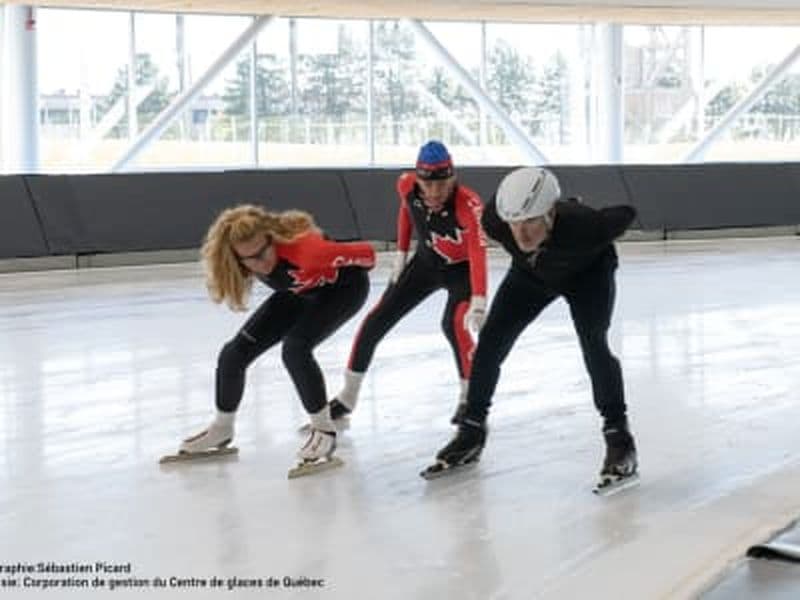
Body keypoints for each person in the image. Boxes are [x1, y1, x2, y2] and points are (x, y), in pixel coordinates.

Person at [422, 166, 639, 494]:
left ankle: (620, 441)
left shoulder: (586, 226)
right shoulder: (495, 222)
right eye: (514, 223)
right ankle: (471, 431)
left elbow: (627, 213)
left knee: (594, 345)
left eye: (531, 222)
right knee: (490, 344)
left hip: (588, 275)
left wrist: (587, 213)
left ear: (551, 213)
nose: (521, 234)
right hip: (532, 275)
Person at [173, 204, 375, 475]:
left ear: (271, 237)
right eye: (251, 259)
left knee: (295, 348)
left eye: (264, 251)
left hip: (344, 291)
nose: (262, 262)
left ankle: (324, 431)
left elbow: (368, 254)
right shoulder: (239, 261)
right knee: (233, 354)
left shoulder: (308, 250)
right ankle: (222, 428)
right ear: (236, 258)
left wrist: (338, 260)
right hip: (299, 292)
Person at [327, 140, 488, 427]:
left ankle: (469, 398)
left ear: (453, 178)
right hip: (425, 265)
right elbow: (406, 212)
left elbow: (477, 250)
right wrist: (401, 254)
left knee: (455, 326)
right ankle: (347, 396)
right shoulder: (406, 185)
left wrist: (479, 299)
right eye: (429, 185)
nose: (435, 192)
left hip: (462, 271)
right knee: (376, 321)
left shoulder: (468, 203)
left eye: (443, 184)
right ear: (418, 179)